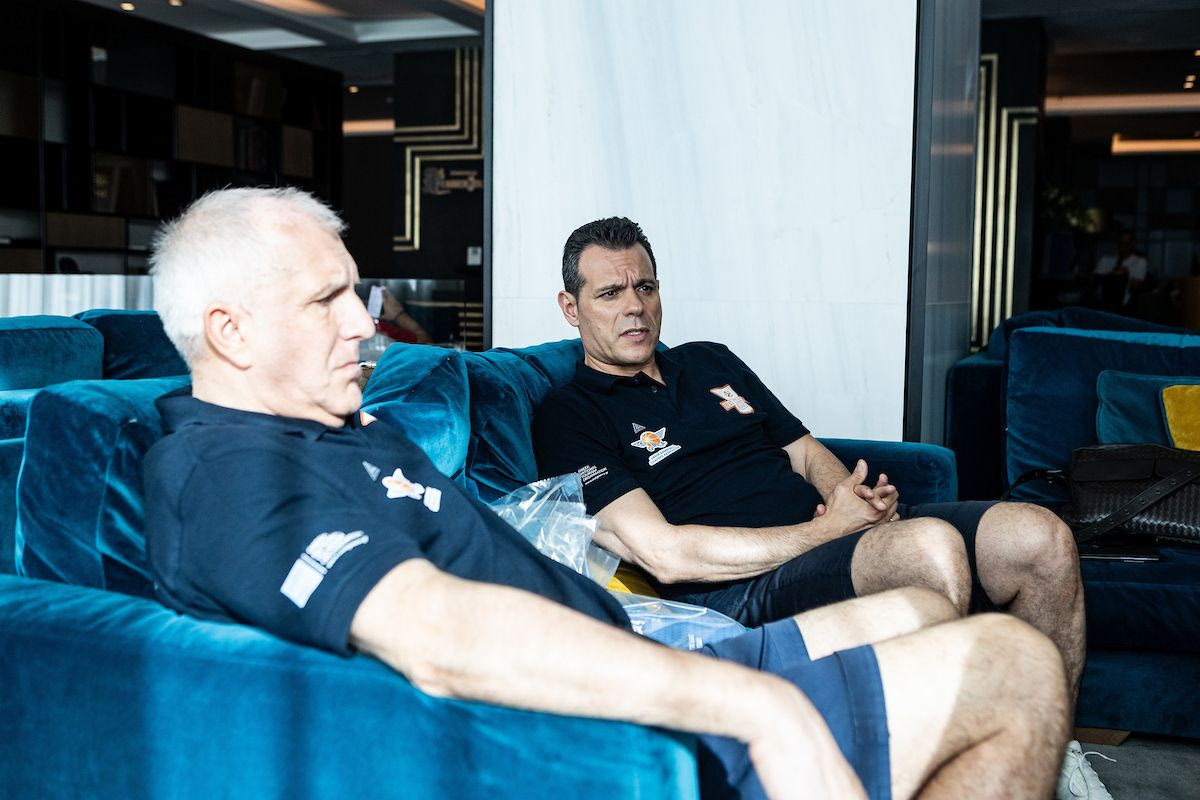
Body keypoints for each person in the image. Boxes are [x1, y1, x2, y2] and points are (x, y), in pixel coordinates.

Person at [144, 187, 1071, 800]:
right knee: (1013, 665)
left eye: (359, 292)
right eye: (327, 300)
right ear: (231, 332)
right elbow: (440, 634)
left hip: (636, 643)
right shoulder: (227, 472)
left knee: (922, 610)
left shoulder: (346, 430)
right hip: (597, 729)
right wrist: (758, 705)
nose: (367, 323)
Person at [532, 217, 1103, 799]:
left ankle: (1051, 753)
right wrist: (831, 531)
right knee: (929, 549)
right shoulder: (570, 413)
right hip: (740, 587)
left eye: (645, 287)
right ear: (571, 308)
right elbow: (666, 555)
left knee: (1039, 536)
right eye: (610, 293)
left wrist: (846, 496)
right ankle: (942, 767)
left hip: (832, 537)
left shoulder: (709, 361)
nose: (634, 307)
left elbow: (803, 451)